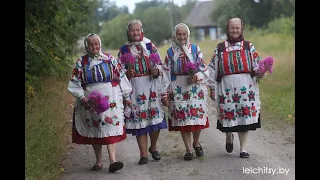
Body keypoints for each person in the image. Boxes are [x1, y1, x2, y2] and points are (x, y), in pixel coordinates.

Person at [68, 33, 132, 172]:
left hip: (111, 100)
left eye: (96, 43)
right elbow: (74, 83)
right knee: (96, 129)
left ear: (100, 44)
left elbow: (121, 77)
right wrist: (83, 98)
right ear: (87, 46)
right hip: (90, 101)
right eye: (91, 44)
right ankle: (98, 161)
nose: (94, 46)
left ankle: (113, 161)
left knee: (109, 129)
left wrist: (127, 96)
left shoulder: (110, 59)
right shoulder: (81, 62)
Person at [207, 17, 263, 158]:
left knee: (244, 117)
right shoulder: (220, 48)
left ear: (241, 29)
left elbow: (257, 64)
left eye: (237, 28)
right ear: (228, 29)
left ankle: (243, 149)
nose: (235, 30)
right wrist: (212, 87)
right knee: (229, 116)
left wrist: (260, 71)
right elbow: (212, 69)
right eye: (232, 28)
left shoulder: (248, 46)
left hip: (246, 89)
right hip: (226, 89)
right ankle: (228, 136)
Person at [117, 19, 170, 165]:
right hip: (135, 88)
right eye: (133, 30)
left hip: (151, 85)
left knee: (154, 119)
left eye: (138, 30)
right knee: (140, 121)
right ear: (128, 33)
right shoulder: (124, 50)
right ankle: (143, 154)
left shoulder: (149, 45)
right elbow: (118, 70)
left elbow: (160, 64)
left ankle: (153, 147)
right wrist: (127, 72)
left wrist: (156, 70)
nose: (135, 32)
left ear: (142, 31)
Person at [162, 23, 210, 161]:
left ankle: (196, 142)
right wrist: (164, 93)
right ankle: (188, 149)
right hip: (178, 88)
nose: (182, 37)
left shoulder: (195, 49)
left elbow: (203, 67)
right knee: (183, 119)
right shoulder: (170, 52)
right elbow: (166, 74)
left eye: (184, 34)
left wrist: (197, 76)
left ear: (188, 35)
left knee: (196, 118)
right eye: (179, 34)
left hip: (194, 87)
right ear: (175, 35)